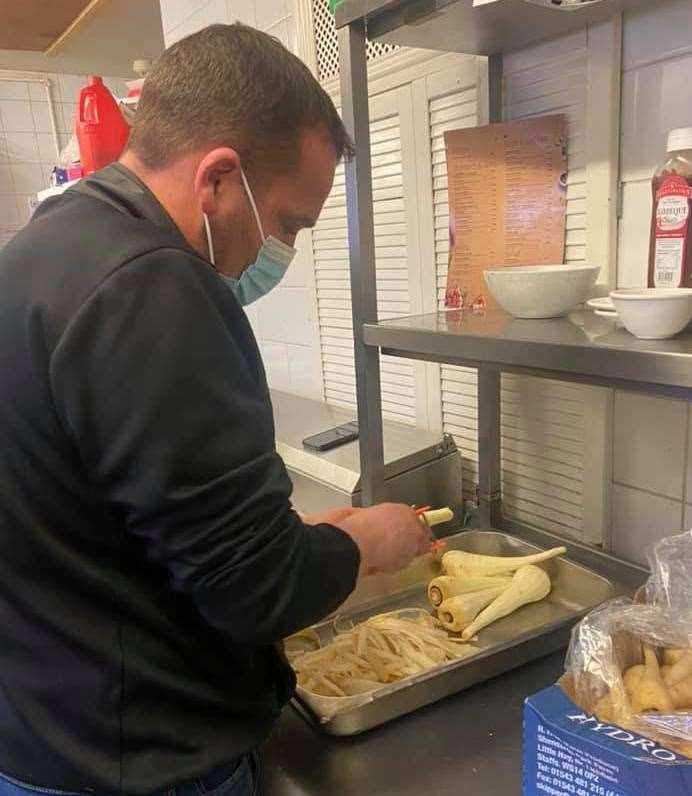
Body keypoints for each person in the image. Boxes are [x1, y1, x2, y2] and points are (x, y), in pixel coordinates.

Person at [0, 23, 430, 796]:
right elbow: (256, 592)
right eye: (291, 222)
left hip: (43, 731)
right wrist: (366, 539)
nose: (282, 251)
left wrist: (287, 539)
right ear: (219, 178)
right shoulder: (155, 287)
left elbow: (107, 518)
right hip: (142, 764)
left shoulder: (43, 248)